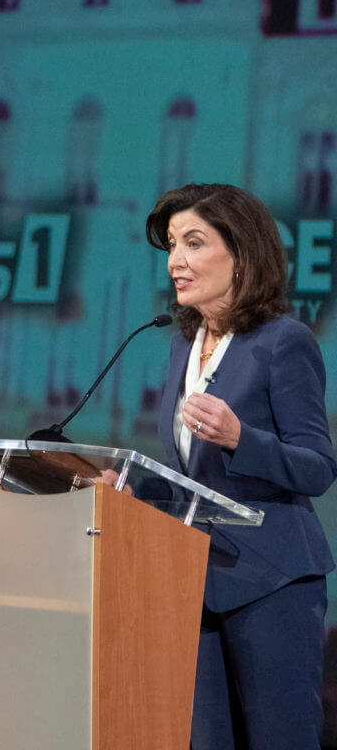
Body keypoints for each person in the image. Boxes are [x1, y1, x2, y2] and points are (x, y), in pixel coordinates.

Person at [144, 183, 336, 750]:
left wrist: (239, 438)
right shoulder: (183, 345)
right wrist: (129, 486)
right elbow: (188, 475)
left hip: (272, 582)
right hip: (196, 584)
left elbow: (318, 467)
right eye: (173, 244)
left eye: (194, 242)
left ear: (242, 252)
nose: (176, 260)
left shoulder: (284, 341)